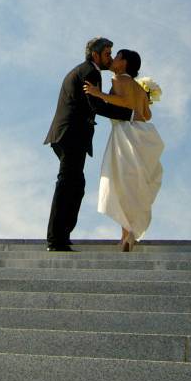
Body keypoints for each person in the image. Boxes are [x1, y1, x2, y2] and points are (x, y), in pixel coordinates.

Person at [44, 38, 134, 252]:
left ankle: (61, 237)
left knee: (75, 184)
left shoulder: (84, 70)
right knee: (68, 184)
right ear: (95, 55)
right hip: (71, 135)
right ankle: (56, 240)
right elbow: (96, 105)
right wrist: (127, 112)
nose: (110, 58)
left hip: (67, 135)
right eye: (107, 54)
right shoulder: (90, 72)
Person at [83, 49, 164, 252]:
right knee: (132, 183)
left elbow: (125, 104)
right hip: (143, 135)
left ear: (125, 63)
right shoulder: (138, 87)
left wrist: (98, 94)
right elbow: (146, 114)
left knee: (121, 183)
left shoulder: (120, 79)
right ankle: (128, 234)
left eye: (117, 57)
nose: (113, 60)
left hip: (125, 134)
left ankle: (127, 234)